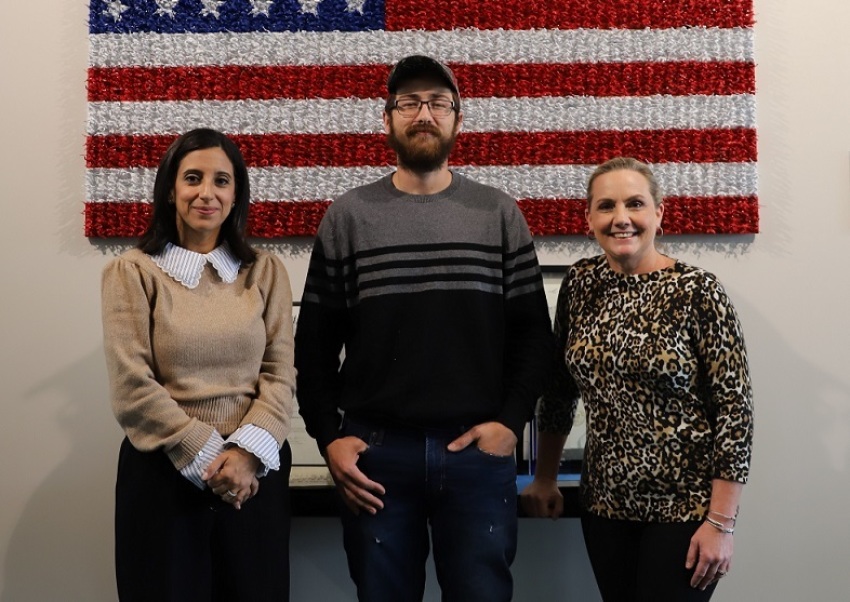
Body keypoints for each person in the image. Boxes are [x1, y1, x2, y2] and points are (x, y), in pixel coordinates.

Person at [294, 55, 554, 602]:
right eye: (408, 103)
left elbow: (533, 336)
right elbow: (313, 346)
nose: (424, 114)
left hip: (478, 458)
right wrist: (328, 438)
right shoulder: (348, 217)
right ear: (386, 120)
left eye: (438, 102)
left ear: (459, 120)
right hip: (376, 457)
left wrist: (509, 424)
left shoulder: (498, 214)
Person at [521, 157, 754, 601]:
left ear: (658, 213)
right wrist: (546, 477)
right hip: (604, 506)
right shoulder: (580, 283)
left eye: (635, 204)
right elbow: (559, 389)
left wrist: (721, 523)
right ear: (589, 218)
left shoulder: (698, 292)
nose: (621, 218)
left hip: (684, 510)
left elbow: (734, 411)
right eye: (606, 206)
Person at [101, 128, 296, 601]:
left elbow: (280, 372)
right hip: (163, 476)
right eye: (193, 178)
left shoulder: (265, 272)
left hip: (255, 474)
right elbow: (132, 385)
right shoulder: (132, 271)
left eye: (221, 181)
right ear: (171, 190)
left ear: (235, 196)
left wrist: (245, 456)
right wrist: (212, 459)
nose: (206, 192)